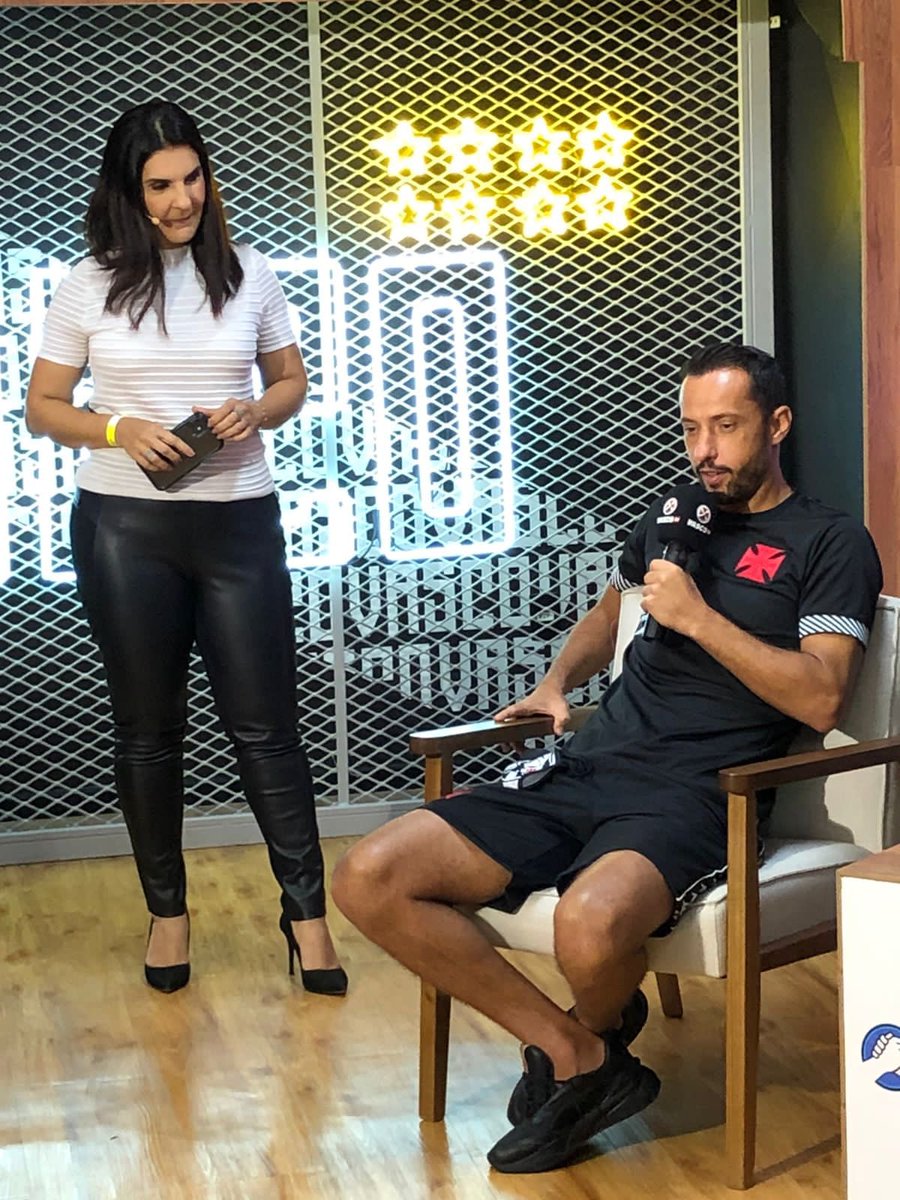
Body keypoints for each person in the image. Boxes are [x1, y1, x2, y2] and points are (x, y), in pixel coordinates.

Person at [331, 342, 882, 1173]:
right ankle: (580, 1055)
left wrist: (697, 618)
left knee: (588, 926)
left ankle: (586, 1036)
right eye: (691, 429)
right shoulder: (674, 516)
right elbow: (611, 611)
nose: (705, 450)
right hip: (588, 764)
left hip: (697, 792)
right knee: (368, 876)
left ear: (777, 425)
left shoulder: (830, 540)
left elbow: (822, 699)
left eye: (726, 427)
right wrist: (556, 681)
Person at [25, 100, 346, 997]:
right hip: (126, 529)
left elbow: (291, 382)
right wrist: (118, 427)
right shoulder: (87, 283)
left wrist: (257, 410)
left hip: (239, 523)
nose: (180, 200)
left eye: (191, 178)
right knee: (148, 730)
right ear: (128, 193)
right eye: (159, 185)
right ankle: (168, 913)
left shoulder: (250, 273)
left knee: (268, 729)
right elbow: (43, 407)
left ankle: (307, 918)